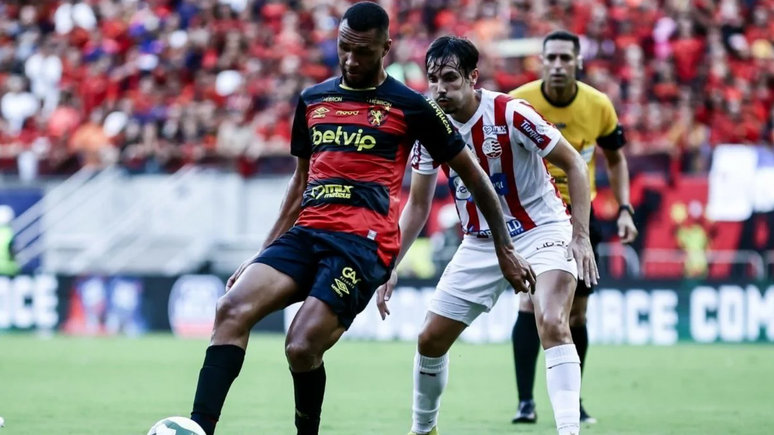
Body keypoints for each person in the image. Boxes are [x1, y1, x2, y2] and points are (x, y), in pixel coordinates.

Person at [187, 4, 533, 435]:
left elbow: (475, 177)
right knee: (230, 308)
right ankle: (198, 428)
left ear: (386, 48)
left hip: (363, 245)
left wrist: (504, 248)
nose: (351, 60)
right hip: (307, 233)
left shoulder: (413, 107)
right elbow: (299, 185)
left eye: (363, 52)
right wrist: (262, 254)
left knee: (301, 346)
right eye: (344, 48)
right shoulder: (313, 99)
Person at [375, 36, 599, 435]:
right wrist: (390, 262)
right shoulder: (429, 126)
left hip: (541, 230)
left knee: (552, 320)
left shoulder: (511, 112)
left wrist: (580, 236)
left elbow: (575, 165)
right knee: (429, 339)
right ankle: (422, 430)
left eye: (449, 78)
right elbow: (418, 205)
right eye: (433, 79)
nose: (440, 88)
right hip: (480, 242)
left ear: (472, 77)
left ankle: (568, 431)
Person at [508, 30, 638, 425]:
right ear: (542, 61)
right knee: (530, 304)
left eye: (566, 57)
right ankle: (525, 402)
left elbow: (616, 159)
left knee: (577, 315)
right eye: (552, 58)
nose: (558, 65)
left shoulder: (598, 105)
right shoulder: (518, 102)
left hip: (580, 216)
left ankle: (573, 399)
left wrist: (625, 208)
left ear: (578, 61)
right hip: (532, 216)